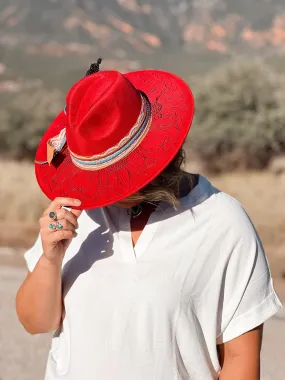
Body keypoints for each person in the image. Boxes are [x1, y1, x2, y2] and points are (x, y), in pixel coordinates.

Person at [16, 60, 282, 380]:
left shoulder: (223, 223)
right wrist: (49, 258)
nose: (96, 190)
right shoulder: (76, 211)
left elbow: (240, 359)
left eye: (108, 177)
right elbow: (35, 322)